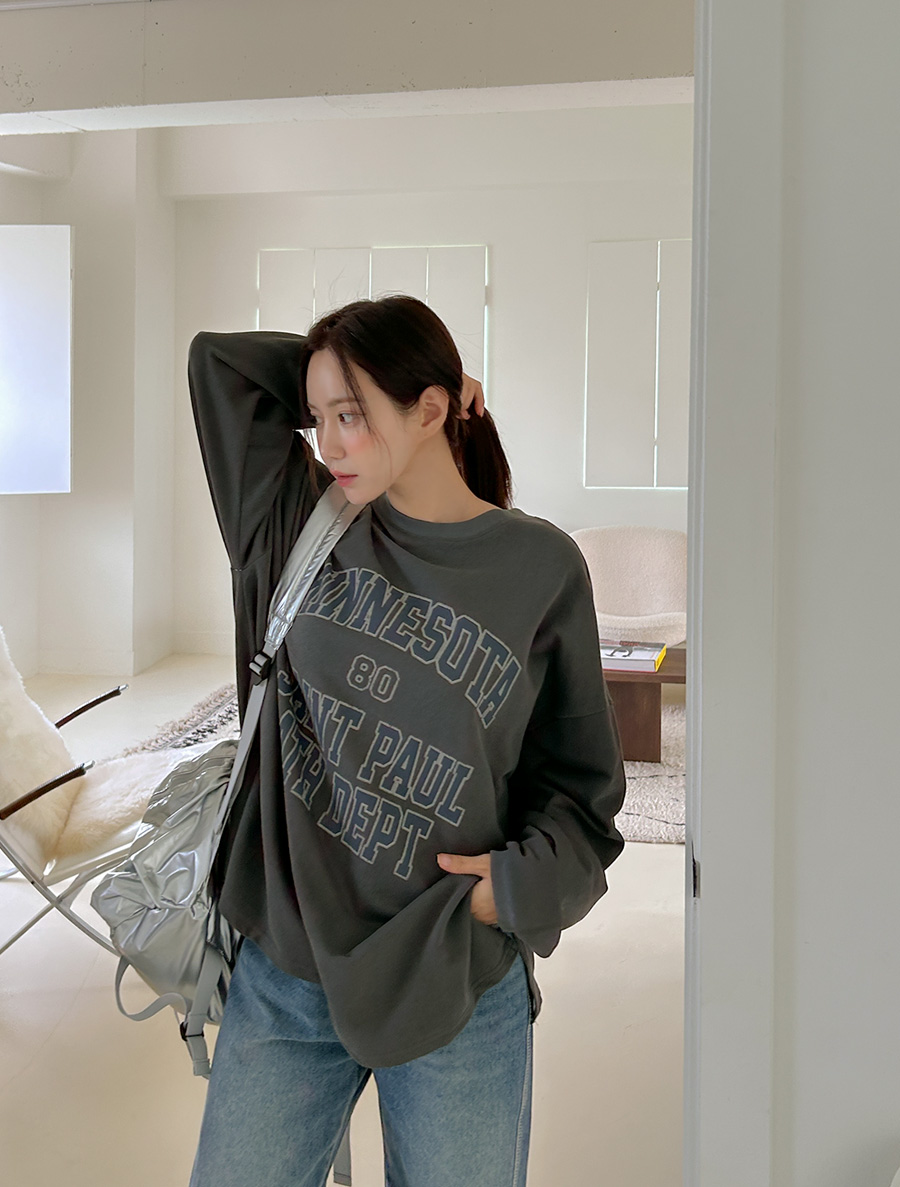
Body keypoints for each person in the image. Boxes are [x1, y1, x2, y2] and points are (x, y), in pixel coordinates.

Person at [186, 295, 627, 1187]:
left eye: (350, 416)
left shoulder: (540, 568)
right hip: (290, 965)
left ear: (430, 412)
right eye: (317, 419)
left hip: (452, 972)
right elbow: (218, 363)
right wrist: (372, 372)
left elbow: (581, 794)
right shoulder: (297, 523)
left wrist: (511, 890)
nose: (328, 443)